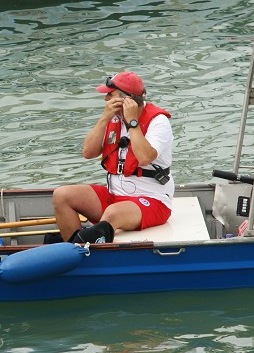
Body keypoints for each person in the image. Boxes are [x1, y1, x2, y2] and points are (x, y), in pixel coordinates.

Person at [53, 71, 174, 243]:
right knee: (62, 195)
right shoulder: (113, 118)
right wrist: (104, 119)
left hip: (152, 201)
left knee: (112, 213)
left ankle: (88, 253)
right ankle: (74, 251)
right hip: (114, 195)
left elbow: (145, 157)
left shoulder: (158, 122)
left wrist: (132, 122)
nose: (105, 99)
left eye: (110, 95)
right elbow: (88, 152)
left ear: (128, 99)